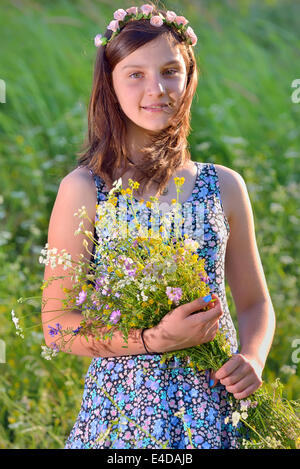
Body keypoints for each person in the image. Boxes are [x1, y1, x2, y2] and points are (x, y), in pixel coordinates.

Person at [41, 2, 276, 449]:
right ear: (109, 84)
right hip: (122, 413)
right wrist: (155, 339)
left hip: (215, 403)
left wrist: (252, 357)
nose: (157, 88)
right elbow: (57, 326)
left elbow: (253, 303)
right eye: (135, 74)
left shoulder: (224, 185)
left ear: (188, 78)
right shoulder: (87, 188)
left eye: (171, 71)